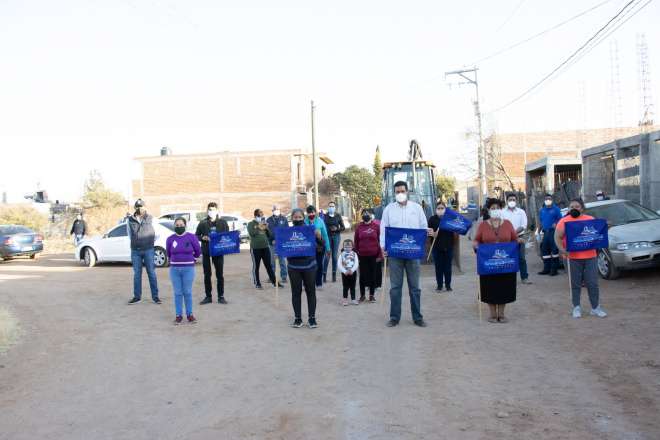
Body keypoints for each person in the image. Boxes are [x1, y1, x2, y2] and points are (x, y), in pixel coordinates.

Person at [380, 181, 429, 327]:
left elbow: (423, 227)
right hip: (395, 255)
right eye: (397, 192)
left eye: (402, 191)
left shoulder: (417, 208)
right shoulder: (388, 209)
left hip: (413, 255)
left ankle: (417, 317)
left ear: (407, 191)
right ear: (394, 193)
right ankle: (394, 317)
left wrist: (427, 235)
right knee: (395, 287)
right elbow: (383, 230)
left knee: (415, 287)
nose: (400, 194)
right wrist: (383, 247)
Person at [554, 198, 607, 319]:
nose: (574, 209)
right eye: (571, 206)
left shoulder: (590, 219)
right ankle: (576, 307)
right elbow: (557, 237)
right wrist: (562, 250)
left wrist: (605, 227)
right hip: (572, 258)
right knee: (575, 284)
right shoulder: (564, 221)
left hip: (590, 257)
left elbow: (597, 234)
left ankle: (595, 308)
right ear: (568, 209)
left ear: (582, 208)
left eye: (577, 206)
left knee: (593, 283)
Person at [473, 198, 518, 323]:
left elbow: (514, 239)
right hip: (488, 264)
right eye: (492, 208)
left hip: (505, 264)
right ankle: (492, 314)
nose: (495, 210)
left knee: (504, 287)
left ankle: (502, 314)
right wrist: (475, 245)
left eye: (497, 208)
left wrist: (519, 241)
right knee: (490, 287)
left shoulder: (508, 224)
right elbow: (477, 239)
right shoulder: (482, 225)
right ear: (488, 210)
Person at [287, 208, 323, 328]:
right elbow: (282, 246)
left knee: (310, 292)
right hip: (293, 267)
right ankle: (298, 319)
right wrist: (277, 248)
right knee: (296, 293)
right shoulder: (287, 232)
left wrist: (318, 237)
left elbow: (320, 248)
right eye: (295, 217)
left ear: (304, 218)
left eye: (299, 217)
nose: (297, 219)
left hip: (309, 266)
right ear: (292, 219)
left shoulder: (311, 231)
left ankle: (312, 318)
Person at [167, 217, 201, 324]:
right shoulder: (170, 239)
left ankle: (190, 315)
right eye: (177, 225)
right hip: (174, 270)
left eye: (181, 225)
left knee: (187, 292)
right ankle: (178, 315)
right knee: (177, 293)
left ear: (185, 225)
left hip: (188, 269)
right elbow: (168, 253)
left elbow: (198, 251)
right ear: (174, 226)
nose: (179, 227)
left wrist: (193, 259)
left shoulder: (191, 237)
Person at [126, 199, 160, 304]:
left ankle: (155, 297)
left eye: (141, 207)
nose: (140, 209)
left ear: (145, 207)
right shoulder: (130, 220)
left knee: (151, 273)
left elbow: (157, 233)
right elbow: (129, 235)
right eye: (137, 207)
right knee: (137, 274)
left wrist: (148, 242)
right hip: (135, 251)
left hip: (148, 250)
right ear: (135, 208)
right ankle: (137, 297)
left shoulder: (151, 218)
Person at [196, 202, 229, 304]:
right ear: (207, 211)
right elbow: (196, 235)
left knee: (219, 274)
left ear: (217, 210)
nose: (211, 211)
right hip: (206, 251)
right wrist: (202, 237)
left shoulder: (223, 223)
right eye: (209, 209)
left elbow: (227, 236)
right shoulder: (203, 223)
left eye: (213, 209)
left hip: (218, 252)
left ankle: (221, 296)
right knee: (207, 274)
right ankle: (208, 296)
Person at [502, 194, 532, 285]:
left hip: (520, 237)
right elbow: (501, 225)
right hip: (507, 239)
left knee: (521, 258)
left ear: (516, 201)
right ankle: (509, 278)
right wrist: (509, 234)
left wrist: (513, 233)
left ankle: (524, 277)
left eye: (514, 199)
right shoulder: (502, 212)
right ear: (507, 201)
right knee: (508, 258)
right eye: (510, 199)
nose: (512, 201)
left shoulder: (521, 212)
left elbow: (523, 225)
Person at [427, 201, 456, 292]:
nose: (440, 210)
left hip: (448, 247)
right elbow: (428, 232)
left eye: (442, 208)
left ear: (445, 209)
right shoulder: (432, 219)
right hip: (436, 247)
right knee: (438, 267)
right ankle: (439, 285)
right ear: (436, 209)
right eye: (438, 208)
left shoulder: (449, 219)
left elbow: (454, 232)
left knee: (448, 267)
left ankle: (448, 285)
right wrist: (433, 234)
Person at [248, 209, 280, 289]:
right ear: (255, 216)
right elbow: (252, 233)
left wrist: (266, 228)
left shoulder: (264, 223)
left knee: (269, 265)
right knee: (256, 266)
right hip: (255, 248)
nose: (261, 217)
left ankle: (274, 282)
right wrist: (259, 227)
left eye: (262, 215)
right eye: (259, 215)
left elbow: (269, 235)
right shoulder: (251, 224)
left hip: (265, 247)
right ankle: (257, 283)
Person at [354, 209, 382, 302]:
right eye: (364, 213)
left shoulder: (376, 226)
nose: (366, 215)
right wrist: (356, 253)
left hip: (374, 255)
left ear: (371, 215)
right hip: (362, 255)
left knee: (372, 275)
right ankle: (362, 295)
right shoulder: (359, 227)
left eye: (368, 213)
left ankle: (371, 295)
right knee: (362, 275)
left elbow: (380, 240)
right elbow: (356, 241)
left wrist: (380, 255)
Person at [304, 205, 331, 290]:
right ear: (307, 214)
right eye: (309, 212)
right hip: (308, 247)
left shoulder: (320, 221)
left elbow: (325, 235)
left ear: (315, 212)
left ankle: (318, 283)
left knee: (319, 265)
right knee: (308, 266)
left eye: (312, 212)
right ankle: (307, 284)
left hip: (319, 247)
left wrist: (328, 248)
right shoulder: (304, 222)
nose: (311, 214)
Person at [537, 194, 562, 276]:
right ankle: (546, 269)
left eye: (549, 198)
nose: (548, 200)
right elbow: (540, 221)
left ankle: (554, 270)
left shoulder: (556, 209)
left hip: (553, 232)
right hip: (545, 232)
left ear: (552, 200)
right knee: (545, 250)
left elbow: (561, 220)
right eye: (546, 199)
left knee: (554, 251)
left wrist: (556, 223)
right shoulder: (542, 210)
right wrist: (538, 232)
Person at [323, 201, 346, 283]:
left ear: (335, 207)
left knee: (334, 256)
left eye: (332, 206)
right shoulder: (325, 216)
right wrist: (328, 229)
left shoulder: (338, 216)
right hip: (328, 236)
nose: (331, 207)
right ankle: (324, 274)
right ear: (328, 207)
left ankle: (334, 274)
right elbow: (323, 227)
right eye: (330, 206)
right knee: (327, 255)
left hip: (336, 236)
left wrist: (337, 229)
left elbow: (343, 227)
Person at [267, 204, 289, 284]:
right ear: (272, 211)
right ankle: (272, 277)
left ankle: (284, 277)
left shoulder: (284, 219)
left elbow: (286, 231)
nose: (276, 210)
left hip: (281, 243)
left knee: (282, 261)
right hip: (271, 243)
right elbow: (267, 232)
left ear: (280, 210)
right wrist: (271, 239)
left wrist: (280, 240)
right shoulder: (268, 220)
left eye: (277, 209)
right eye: (275, 209)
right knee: (272, 261)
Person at [337, 238, 359, 306]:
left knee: (353, 286)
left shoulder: (355, 254)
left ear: (352, 247)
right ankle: (345, 299)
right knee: (345, 286)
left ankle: (353, 299)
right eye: (345, 246)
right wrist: (344, 271)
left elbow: (356, 263)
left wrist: (352, 270)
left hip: (353, 273)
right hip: (345, 273)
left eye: (349, 246)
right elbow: (339, 264)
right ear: (343, 247)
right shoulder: (341, 255)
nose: (347, 248)